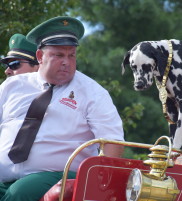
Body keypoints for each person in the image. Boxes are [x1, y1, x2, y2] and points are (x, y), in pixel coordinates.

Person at [0, 16, 124, 201]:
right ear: (40, 56)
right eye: (59, 55)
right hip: (6, 178)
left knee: (20, 193)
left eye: (71, 55)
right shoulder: (12, 86)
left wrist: (100, 185)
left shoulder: (93, 93)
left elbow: (113, 143)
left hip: (58, 176)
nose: (66, 61)